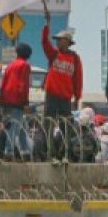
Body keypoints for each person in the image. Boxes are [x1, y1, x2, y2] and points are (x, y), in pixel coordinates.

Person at [41, 22, 83, 150]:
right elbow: (44, 42)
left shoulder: (75, 58)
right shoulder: (53, 54)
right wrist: (46, 27)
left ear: (67, 41)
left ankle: (64, 150)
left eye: (60, 40)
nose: (58, 42)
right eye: (57, 40)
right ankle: (48, 149)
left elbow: (78, 79)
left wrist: (77, 97)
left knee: (67, 125)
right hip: (52, 95)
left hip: (65, 97)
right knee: (48, 124)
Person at [0, 42, 33, 160]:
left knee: (20, 127)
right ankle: (8, 152)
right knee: (14, 127)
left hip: (6, 101)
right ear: (28, 55)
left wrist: (1, 101)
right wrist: (25, 103)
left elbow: (2, 84)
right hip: (17, 102)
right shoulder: (25, 65)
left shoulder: (10, 65)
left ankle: (25, 152)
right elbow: (24, 85)